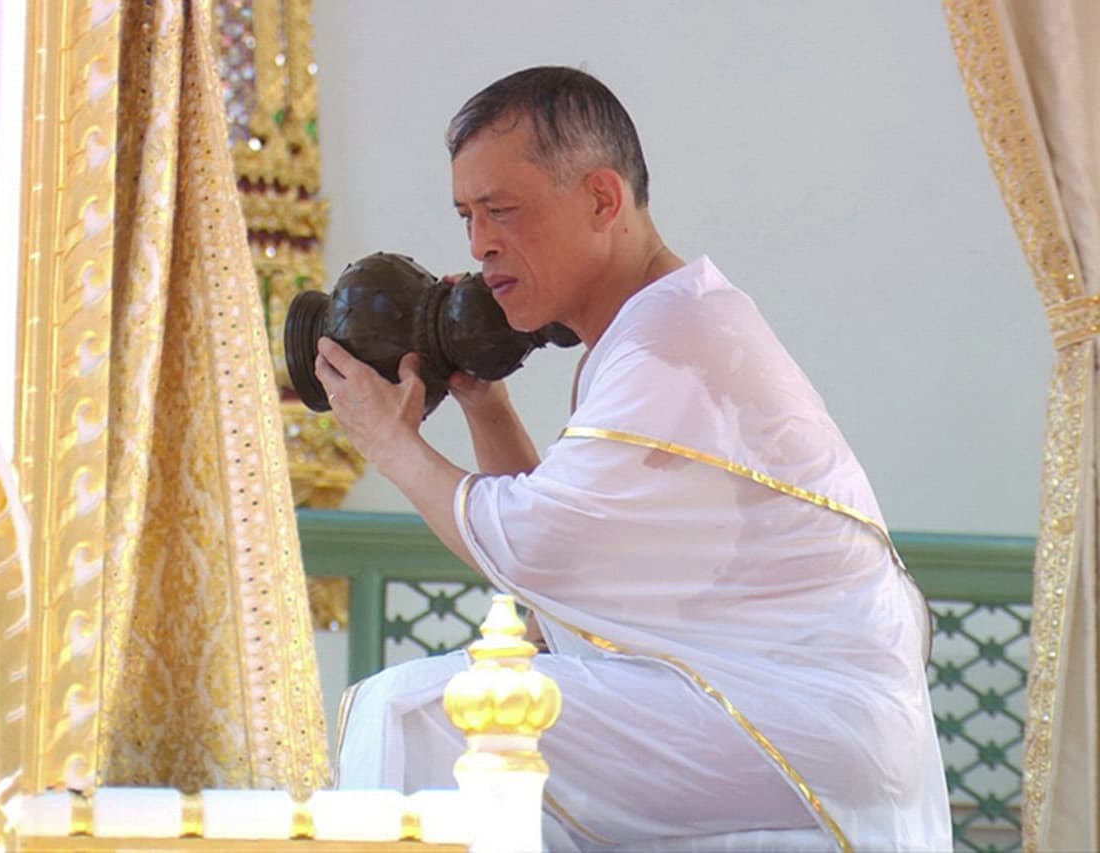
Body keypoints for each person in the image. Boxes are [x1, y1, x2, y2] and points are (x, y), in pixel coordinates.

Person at [315, 66, 951, 851]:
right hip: (796, 719)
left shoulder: (670, 338)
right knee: (479, 723)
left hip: (801, 722)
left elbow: (535, 544)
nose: (480, 244)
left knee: (420, 712)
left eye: (503, 210)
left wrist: (389, 440)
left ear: (603, 200)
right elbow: (561, 579)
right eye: (467, 216)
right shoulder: (662, 322)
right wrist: (486, 403)